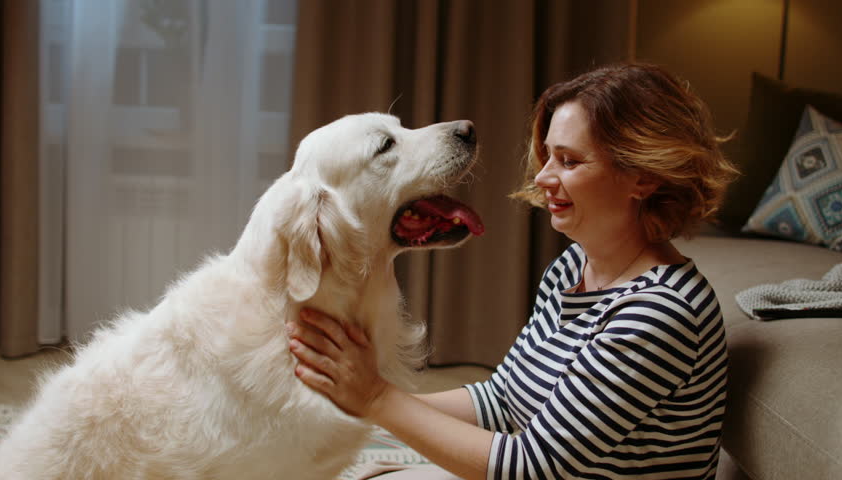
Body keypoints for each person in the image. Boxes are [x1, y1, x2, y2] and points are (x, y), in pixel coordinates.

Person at [286, 62, 740, 479]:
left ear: (644, 176)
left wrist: (374, 397)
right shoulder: (575, 267)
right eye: (548, 155)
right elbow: (503, 398)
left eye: (569, 160)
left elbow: (531, 469)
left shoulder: (660, 312)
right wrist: (354, 415)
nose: (543, 177)